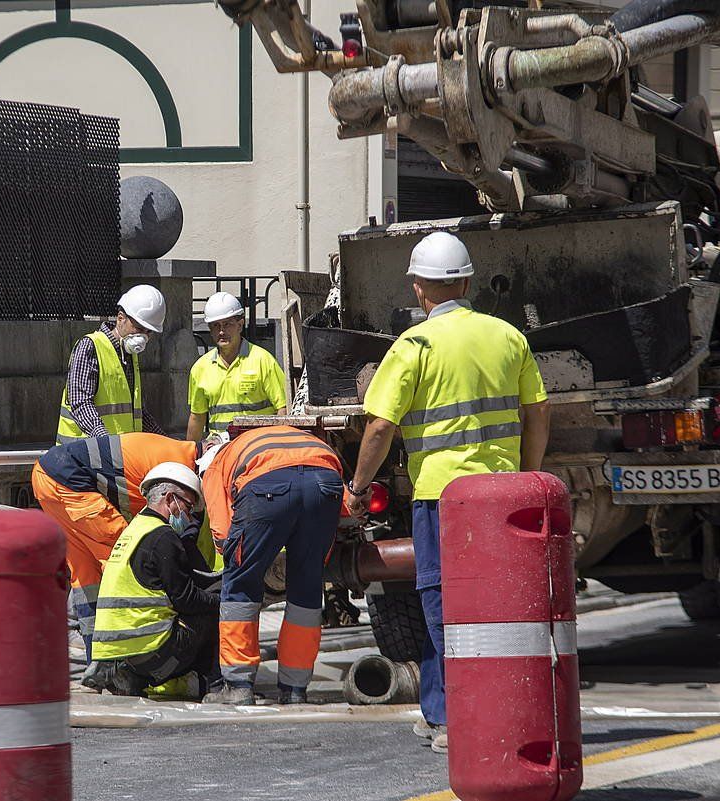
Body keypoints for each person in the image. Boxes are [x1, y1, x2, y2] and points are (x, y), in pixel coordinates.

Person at [344, 231, 551, 754]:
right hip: (502, 495)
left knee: (444, 605)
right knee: (498, 604)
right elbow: (538, 411)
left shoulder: (414, 346)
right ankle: (446, 711)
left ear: (418, 288)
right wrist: (527, 473)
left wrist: (358, 486)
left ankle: (457, 718)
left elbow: (378, 428)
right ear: (466, 281)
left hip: (442, 498)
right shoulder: (507, 336)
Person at [198, 425, 344, 705]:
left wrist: (241, 558)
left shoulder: (216, 464)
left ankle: (238, 686)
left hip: (267, 486)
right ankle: (295, 689)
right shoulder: (269, 439)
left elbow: (222, 532)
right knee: (308, 587)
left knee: (240, 583)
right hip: (325, 480)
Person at [31, 432, 205, 660]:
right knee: (126, 557)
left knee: (86, 576)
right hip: (70, 480)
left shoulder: (172, 453)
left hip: (47, 476)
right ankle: (120, 655)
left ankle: (97, 660)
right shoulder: (175, 468)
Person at [91, 463, 221, 699]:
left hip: (118, 653)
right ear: (170, 498)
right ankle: (212, 682)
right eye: (188, 507)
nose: (189, 516)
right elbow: (186, 599)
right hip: (151, 650)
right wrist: (222, 601)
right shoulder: (163, 537)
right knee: (211, 610)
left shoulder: (136, 529)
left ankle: (133, 676)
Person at [57, 284, 167, 445]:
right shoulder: (90, 346)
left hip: (115, 456)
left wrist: (166, 442)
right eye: (138, 328)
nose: (143, 336)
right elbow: (80, 403)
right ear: (121, 318)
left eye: (148, 331)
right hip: (81, 457)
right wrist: (108, 443)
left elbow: (138, 414)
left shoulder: (130, 355)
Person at [186, 291, 287, 440]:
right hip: (220, 449)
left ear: (240, 325)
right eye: (216, 325)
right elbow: (197, 418)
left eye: (227, 324)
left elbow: (283, 409)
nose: (221, 331)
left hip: (257, 447)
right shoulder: (200, 368)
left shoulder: (263, 360)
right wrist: (190, 456)